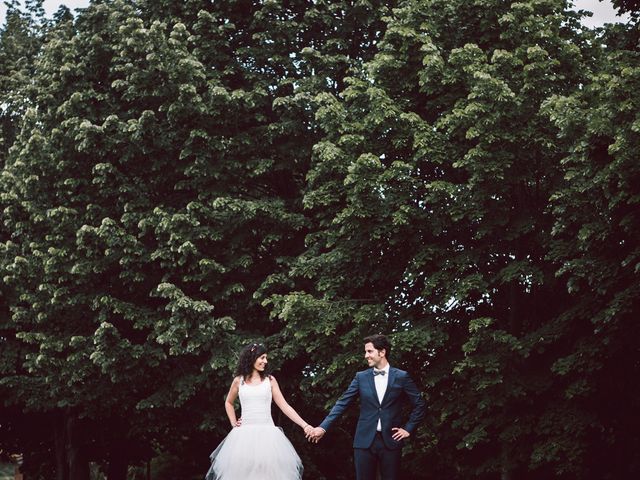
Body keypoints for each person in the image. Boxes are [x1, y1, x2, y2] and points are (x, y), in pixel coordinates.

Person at [307, 334, 426, 480]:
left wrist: (408, 429)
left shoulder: (401, 376)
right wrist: (323, 427)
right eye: (365, 352)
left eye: (369, 351)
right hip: (364, 442)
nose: (366, 356)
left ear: (382, 352)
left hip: (391, 441)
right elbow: (342, 403)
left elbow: (419, 404)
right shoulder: (361, 377)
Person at [205, 342, 313, 480]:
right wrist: (233, 423)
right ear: (252, 358)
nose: (265, 361)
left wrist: (305, 425)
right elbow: (228, 402)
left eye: (266, 358)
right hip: (243, 438)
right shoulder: (239, 381)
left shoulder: (270, 380)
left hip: (268, 436)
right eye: (262, 357)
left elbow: (285, 406)